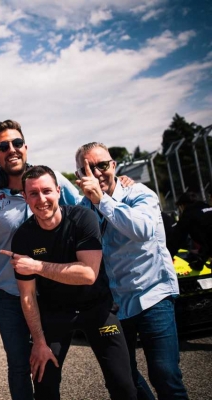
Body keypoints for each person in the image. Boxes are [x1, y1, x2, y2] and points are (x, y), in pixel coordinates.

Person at [2, 165, 136, 400]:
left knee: (123, 385)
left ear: (58, 191)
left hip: (97, 308)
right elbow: (27, 296)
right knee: (44, 383)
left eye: (47, 191)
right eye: (33, 193)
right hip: (55, 312)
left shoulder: (83, 218)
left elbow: (88, 274)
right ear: (25, 197)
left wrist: (37, 266)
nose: (41, 199)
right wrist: (39, 342)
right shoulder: (23, 237)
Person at [0, 119, 81, 399]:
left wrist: (116, 187)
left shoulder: (52, 180)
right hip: (9, 293)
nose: (11, 149)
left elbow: (84, 213)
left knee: (49, 365)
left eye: (16, 143)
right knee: (19, 366)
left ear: (26, 147)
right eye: (3, 146)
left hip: (53, 289)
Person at [75, 142, 188, 400]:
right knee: (122, 377)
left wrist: (102, 200)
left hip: (152, 295)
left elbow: (143, 230)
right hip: (116, 303)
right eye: (87, 169)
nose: (96, 173)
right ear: (80, 175)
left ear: (113, 165)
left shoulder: (138, 193)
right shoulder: (83, 207)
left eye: (102, 165)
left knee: (165, 375)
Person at [168, 191, 212, 270]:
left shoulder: (189, 214)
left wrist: (166, 258)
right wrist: (200, 261)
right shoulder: (208, 208)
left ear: (182, 206)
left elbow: (176, 240)